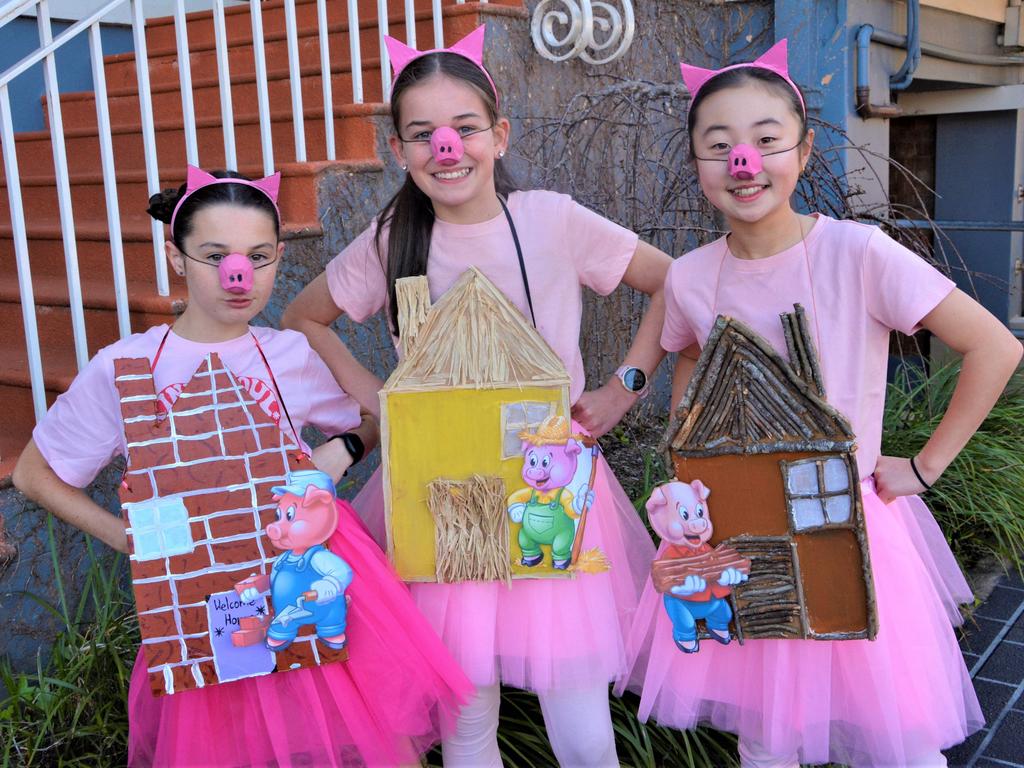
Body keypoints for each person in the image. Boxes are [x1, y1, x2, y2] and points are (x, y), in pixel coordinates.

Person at [618, 40, 1022, 767]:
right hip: (737, 536)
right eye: (720, 146)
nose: (744, 162)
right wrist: (684, 450)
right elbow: (685, 351)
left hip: (847, 528)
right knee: (766, 739)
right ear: (699, 166)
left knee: (896, 744)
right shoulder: (691, 277)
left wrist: (926, 467)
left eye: (766, 140)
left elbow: (995, 346)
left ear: (802, 154)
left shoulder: (859, 253)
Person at [282, 25, 672, 767]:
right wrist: (381, 402)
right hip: (442, 495)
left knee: (584, 729)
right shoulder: (394, 235)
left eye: (464, 128)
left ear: (499, 134)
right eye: (422, 134)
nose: (446, 149)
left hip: (545, 494)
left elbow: (672, 284)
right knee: (466, 719)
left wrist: (624, 387)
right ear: (398, 150)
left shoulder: (552, 219)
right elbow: (304, 318)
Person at [12, 166, 473, 767]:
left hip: (308, 569)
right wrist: (125, 537)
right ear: (178, 260)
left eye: (259, 256)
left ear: (280, 256)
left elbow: (374, 417)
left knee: (366, 741)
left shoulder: (288, 354)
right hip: (205, 591)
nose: (240, 275)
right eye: (214, 255)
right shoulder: (125, 368)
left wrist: (343, 451)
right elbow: (32, 472)